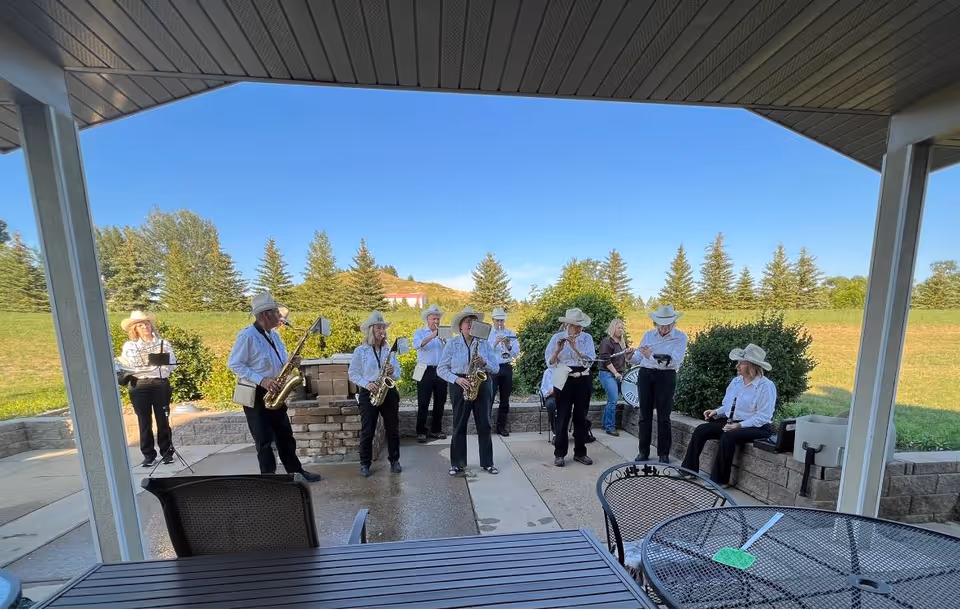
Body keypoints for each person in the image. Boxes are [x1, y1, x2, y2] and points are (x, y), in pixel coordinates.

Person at [227, 293, 322, 482]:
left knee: (285, 435)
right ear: (265, 315)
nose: (280, 317)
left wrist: (291, 363)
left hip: (275, 389)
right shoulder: (247, 336)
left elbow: (280, 361)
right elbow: (235, 364)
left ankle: (295, 473)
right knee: (263, 440)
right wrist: (263, 380)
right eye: (276, 313)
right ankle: (269, 480)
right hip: (256, 392)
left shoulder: (274, 335)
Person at [682, 344, 776, 487]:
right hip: (733, 422)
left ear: (752, 366)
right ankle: (688, 471)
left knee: (728, 436)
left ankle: (719, 481)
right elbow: (728, 405)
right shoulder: (736, 381)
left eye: (742, 363)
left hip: (757, 427)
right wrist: (716, 411)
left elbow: (764, 416)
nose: (737, 366)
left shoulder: (766, 386)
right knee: (701, 430)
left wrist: (739, 425)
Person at [438, 306, 500, 476]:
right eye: (467, 322)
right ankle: (457, 463)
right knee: (459, 425)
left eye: (473, 321)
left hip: (482, 382)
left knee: (485, 424)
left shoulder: (484, 343)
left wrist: (484, 362)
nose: (471, 324)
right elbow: (441, 369)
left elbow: (495, 368)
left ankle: (487, 462)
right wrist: (457, 379)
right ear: (460, 326)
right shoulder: (452, 344)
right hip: (460, 384)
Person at [631, 305, 688, 463]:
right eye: (661, 324)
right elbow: (638, 357)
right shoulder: (648, 335)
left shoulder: (680, 337)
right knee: (644, 415)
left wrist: (650, 356)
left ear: (674, 323)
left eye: (668, 324)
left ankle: (664, 453)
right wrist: (630, 356)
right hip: (646, 374)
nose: (664, 328)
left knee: (664, 416)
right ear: (655, 323)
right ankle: (643, 451)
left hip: (666, 376)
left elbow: (674, 361)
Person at [119, 311, 176, 467]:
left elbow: (172, 365)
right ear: (135, 329)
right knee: (144, 420)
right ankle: (148, 455)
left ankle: (167, 452)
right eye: (140, 325)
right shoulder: (130, 346)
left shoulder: (163, 343)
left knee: (162, 419)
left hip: (159, 383)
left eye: (146, 323)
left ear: (151, 325)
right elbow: (127, 366)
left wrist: (160, 363)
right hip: (139, 384)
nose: (144, 327)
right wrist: (146, 366)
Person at [349, 311, 402, 478]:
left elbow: (398, 373)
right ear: (371, 330)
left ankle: (394, 460)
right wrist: (367, 384)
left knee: (393, 428)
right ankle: (365, 463)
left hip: (388, 390)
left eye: (383, 328)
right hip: (369, 391)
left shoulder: (389, 350)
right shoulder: (360, 351)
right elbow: (353, 373)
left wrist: (393, 372)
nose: (382, 331)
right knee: (368, 430)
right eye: (378, 328)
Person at [545, 308, 596, 467]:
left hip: (583, 377)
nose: (578, 329)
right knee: (562, 415)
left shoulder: (587, 338)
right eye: (575, 326)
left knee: (581, 416)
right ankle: (559, 454)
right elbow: (550, 362)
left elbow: (590, 362)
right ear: (568, 324)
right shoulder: (557, 337)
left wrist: (576, 348)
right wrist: (558, 350)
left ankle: (580, 453)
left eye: (580, 326)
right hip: (564, 377)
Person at [413, 304, 447, 443]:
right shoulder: (419, 332)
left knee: (440, 401)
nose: (436, 321)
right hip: (422, 368)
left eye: (438, 319)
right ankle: (421, 431)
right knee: (423, 401)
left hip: (440, 369)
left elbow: (450, 348)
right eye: (434, 319)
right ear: (427, 319)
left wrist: (444, 340)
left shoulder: (444, 332)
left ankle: (436, 430)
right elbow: (417, 345)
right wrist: (433, 335)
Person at [598, 318, 634, 437]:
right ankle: (610, 427)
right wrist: (615, 373)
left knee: (611, 400)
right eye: (618, 328)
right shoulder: (607, 342)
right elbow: (605, 359)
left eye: (622, 328)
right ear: (613, 328)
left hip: (618, 374)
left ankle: (605, 424)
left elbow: (627, 359)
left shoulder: (622, 343)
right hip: (608, 374)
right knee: (613, 400)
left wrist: (629, 354)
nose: (621, 330)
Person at [488, 307, 519, 437]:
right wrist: (495, 343)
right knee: (489, 398)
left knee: (505, 399)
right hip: (493, 368)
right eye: (498, 320)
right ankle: (486, 426)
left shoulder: (510, 333)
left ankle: (502, 426)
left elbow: (516, 353)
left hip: (506, 367)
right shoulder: (488, 334)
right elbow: (485, 352)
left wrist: (508, 345)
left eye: (502, 320)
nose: (500, 323)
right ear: (493, 320)